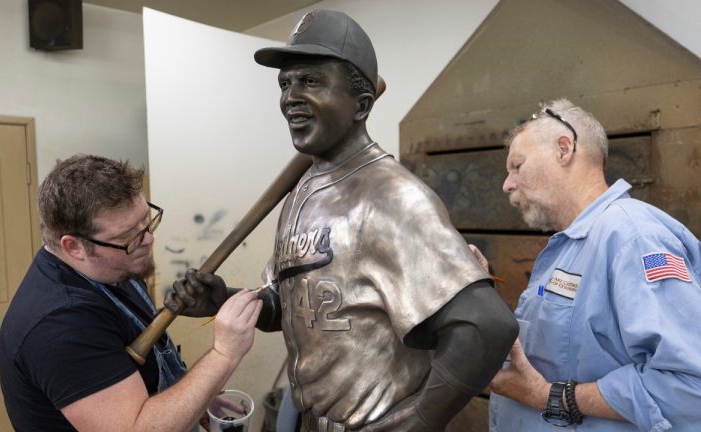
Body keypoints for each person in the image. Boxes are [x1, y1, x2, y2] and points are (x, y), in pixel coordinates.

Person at [165, 9, 518, 432]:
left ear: (362, 104)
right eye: (285, 84)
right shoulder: (302, 193)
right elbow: (293, 307)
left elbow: (487, 326)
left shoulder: (392, 196)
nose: (290, 97)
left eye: (310, 81)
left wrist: (419, 420)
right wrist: (224, 299)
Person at [0, 154, 263, 432]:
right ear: (74, 247)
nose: (149, 239)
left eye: (146, 221)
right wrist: (224, 354)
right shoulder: (59, 325)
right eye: (129, 237)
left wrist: (196, 400)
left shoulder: (111, 267)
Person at [487, 99, 701, 431]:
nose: (508, 185)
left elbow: (691, 387)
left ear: (563, 149)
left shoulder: (633, 237)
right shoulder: (568, 245)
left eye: (518, 165)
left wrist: (551, 397)